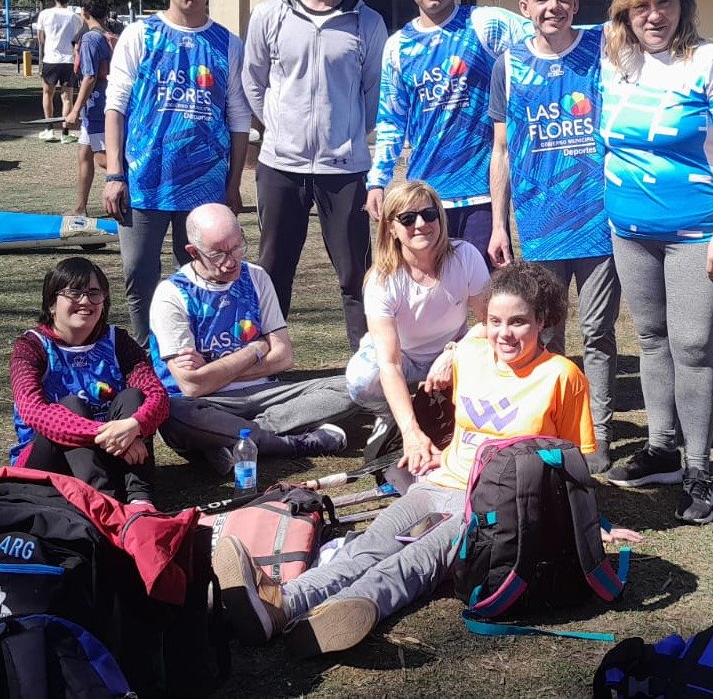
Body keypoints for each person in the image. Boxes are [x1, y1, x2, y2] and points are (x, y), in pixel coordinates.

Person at [214, 261, 640, 657]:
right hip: (439, 482)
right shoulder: (470, 355)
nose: (504, 333)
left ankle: (344, 613)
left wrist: (593, 529)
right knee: (371, 543)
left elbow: (571, 471)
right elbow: (461, 351)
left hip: (494, 507)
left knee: (417, 560)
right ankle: (280, 605)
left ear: (543, 320)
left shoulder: (562, 376)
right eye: (495, 321)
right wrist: (451, 353)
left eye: (518, 322)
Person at [599, 0, 713, 526]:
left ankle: (698, 470)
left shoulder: (712, 61)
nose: (653, 15)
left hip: (697, 232)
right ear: (624, 13)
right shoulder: (613, 60)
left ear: (681, 6)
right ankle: (662, 449)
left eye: (663, 2)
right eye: (640, 5)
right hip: (629, 231)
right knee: (651, 339)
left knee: (692, 347)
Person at [489, 0, 621, 475]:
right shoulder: (509, 64)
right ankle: (552, 430)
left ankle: (599, 435)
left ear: (575, 4)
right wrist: (499, 224)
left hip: (599, 220)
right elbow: (501, 150)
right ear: (525, 8)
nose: (553, 7)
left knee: (598, 334)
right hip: (540, 225)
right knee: (547, 336)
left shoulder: (601, 50)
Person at [242, 0, 388, 351]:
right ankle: (264, 364)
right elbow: (253, 81)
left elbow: (375, 93)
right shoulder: (268, 15)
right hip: (280, 166)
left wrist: (346, 134)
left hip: (344, 169)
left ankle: (369, 372)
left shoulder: (367, 22)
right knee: (272, 271)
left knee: (356, 275)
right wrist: (279, 128)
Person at [103, 0, 250, 344]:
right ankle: (146, 355)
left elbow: (238, 118)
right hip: (144, 182)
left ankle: (198, 351)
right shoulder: (140, 35)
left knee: (204, 272)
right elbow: (116, 106)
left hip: (204, 185)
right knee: (139, 273)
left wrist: (233, 183)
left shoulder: (227, 44)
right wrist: (115, 174)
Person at [149, 203, 355, 474]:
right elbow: (192, 385)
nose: (231, 261)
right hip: (207, 404)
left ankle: (231, 440)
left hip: (264, 395)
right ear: (193, 252)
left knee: (354, 386)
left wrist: (212, 370)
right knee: (174, 413)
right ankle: (290, 443)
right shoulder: (171, 294)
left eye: (237, 247)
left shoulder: (256, 277)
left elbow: (283, 357)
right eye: (218, 254)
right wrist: (255, 349)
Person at [366, 0, 530, 263]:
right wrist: (377, 180)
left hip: (480, 194)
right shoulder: (398, 47)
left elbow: (547, 38)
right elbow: (391, 120)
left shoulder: (484, 24)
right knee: (430, 288)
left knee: (485, 289)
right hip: (425, 198)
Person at [346, 180, 489, 465]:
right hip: (404, 357)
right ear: (391, 228)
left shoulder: (466, 256)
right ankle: (394, 416)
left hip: (450, 352)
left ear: (440, 218)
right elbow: (390, 363)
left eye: (429, 214)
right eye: (408, 219)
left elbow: (492, 322)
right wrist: (411, 433)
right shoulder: (382, 280)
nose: (421, 224)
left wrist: (455, 353)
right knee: (362, 380)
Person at [8, 258, 169, 506]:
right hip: (49, 466)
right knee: (70, 406)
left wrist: (134, 426)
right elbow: (34, 412)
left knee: (133, 397)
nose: (85, 301)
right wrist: (106, 434)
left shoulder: (119, 341)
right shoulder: (30, 347)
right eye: (74, 292)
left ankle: (140, 501)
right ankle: (104, 503)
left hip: (111, 455)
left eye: (94, 293)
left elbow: (158, 396)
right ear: (51, 303)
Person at [65, 0, 113, 216]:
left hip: (97, 108)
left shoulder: (91, 39)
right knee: (84, 156)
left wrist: (74, 110)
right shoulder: (108, 36)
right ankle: (80, 208)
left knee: (104, 159)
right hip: (96, 107)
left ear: (84, 13)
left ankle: (133, 199)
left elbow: (90, 77)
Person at [37, 0, 82, 144]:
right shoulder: (75, 17)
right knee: (67, 97)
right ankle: (65, 132)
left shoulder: (45, 14)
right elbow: (77, 39)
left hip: (51, 59)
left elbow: (41, 39)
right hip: (68, 61)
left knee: (47, 94)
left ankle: (49, 129)